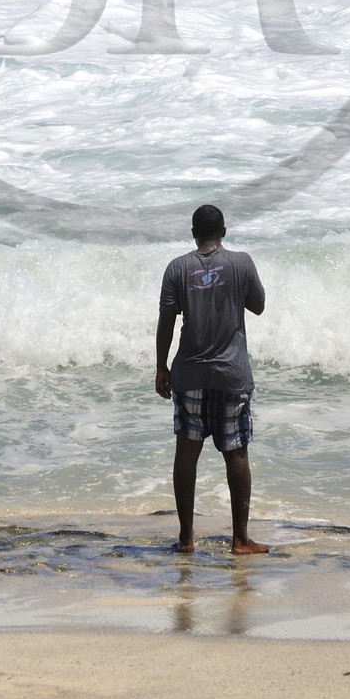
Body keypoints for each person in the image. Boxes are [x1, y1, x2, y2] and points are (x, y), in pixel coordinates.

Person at [155, 203, 268, 554]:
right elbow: (258, 305)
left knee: (187, 454)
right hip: (231, 374)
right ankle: (240, 539)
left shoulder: (177, 268)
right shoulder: (241, 263)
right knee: (235, 454)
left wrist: (161, 367)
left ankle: (187, 538)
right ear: (224, 232)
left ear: (193, 233)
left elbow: (166, 323)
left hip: (189, 373)